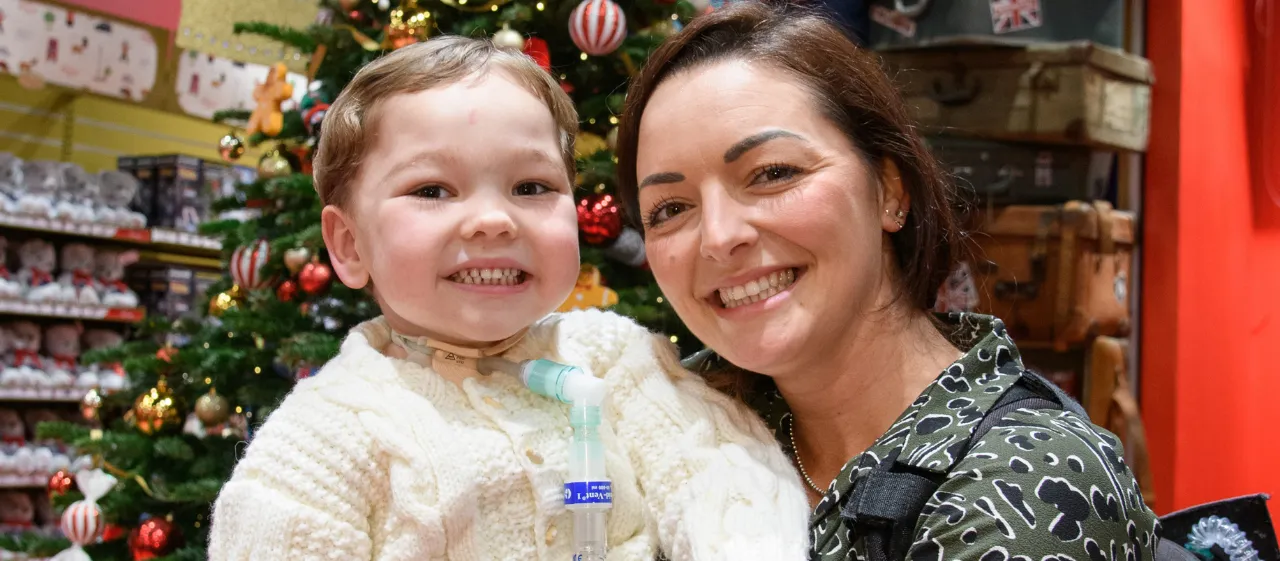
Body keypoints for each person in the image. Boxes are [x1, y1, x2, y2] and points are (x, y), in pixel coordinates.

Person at [207, 36, 810, 560]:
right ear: (348, 244)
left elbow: (720, 474)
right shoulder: (319, 442)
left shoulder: (611, 358)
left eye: (531, 185)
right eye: (433, 189)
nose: (493, 220)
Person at [613, 2, 1161, 560]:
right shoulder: (676, 418)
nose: (718, 236)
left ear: (891, 190)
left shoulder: (1025, 480)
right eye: (669, 208)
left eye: (773, 173)